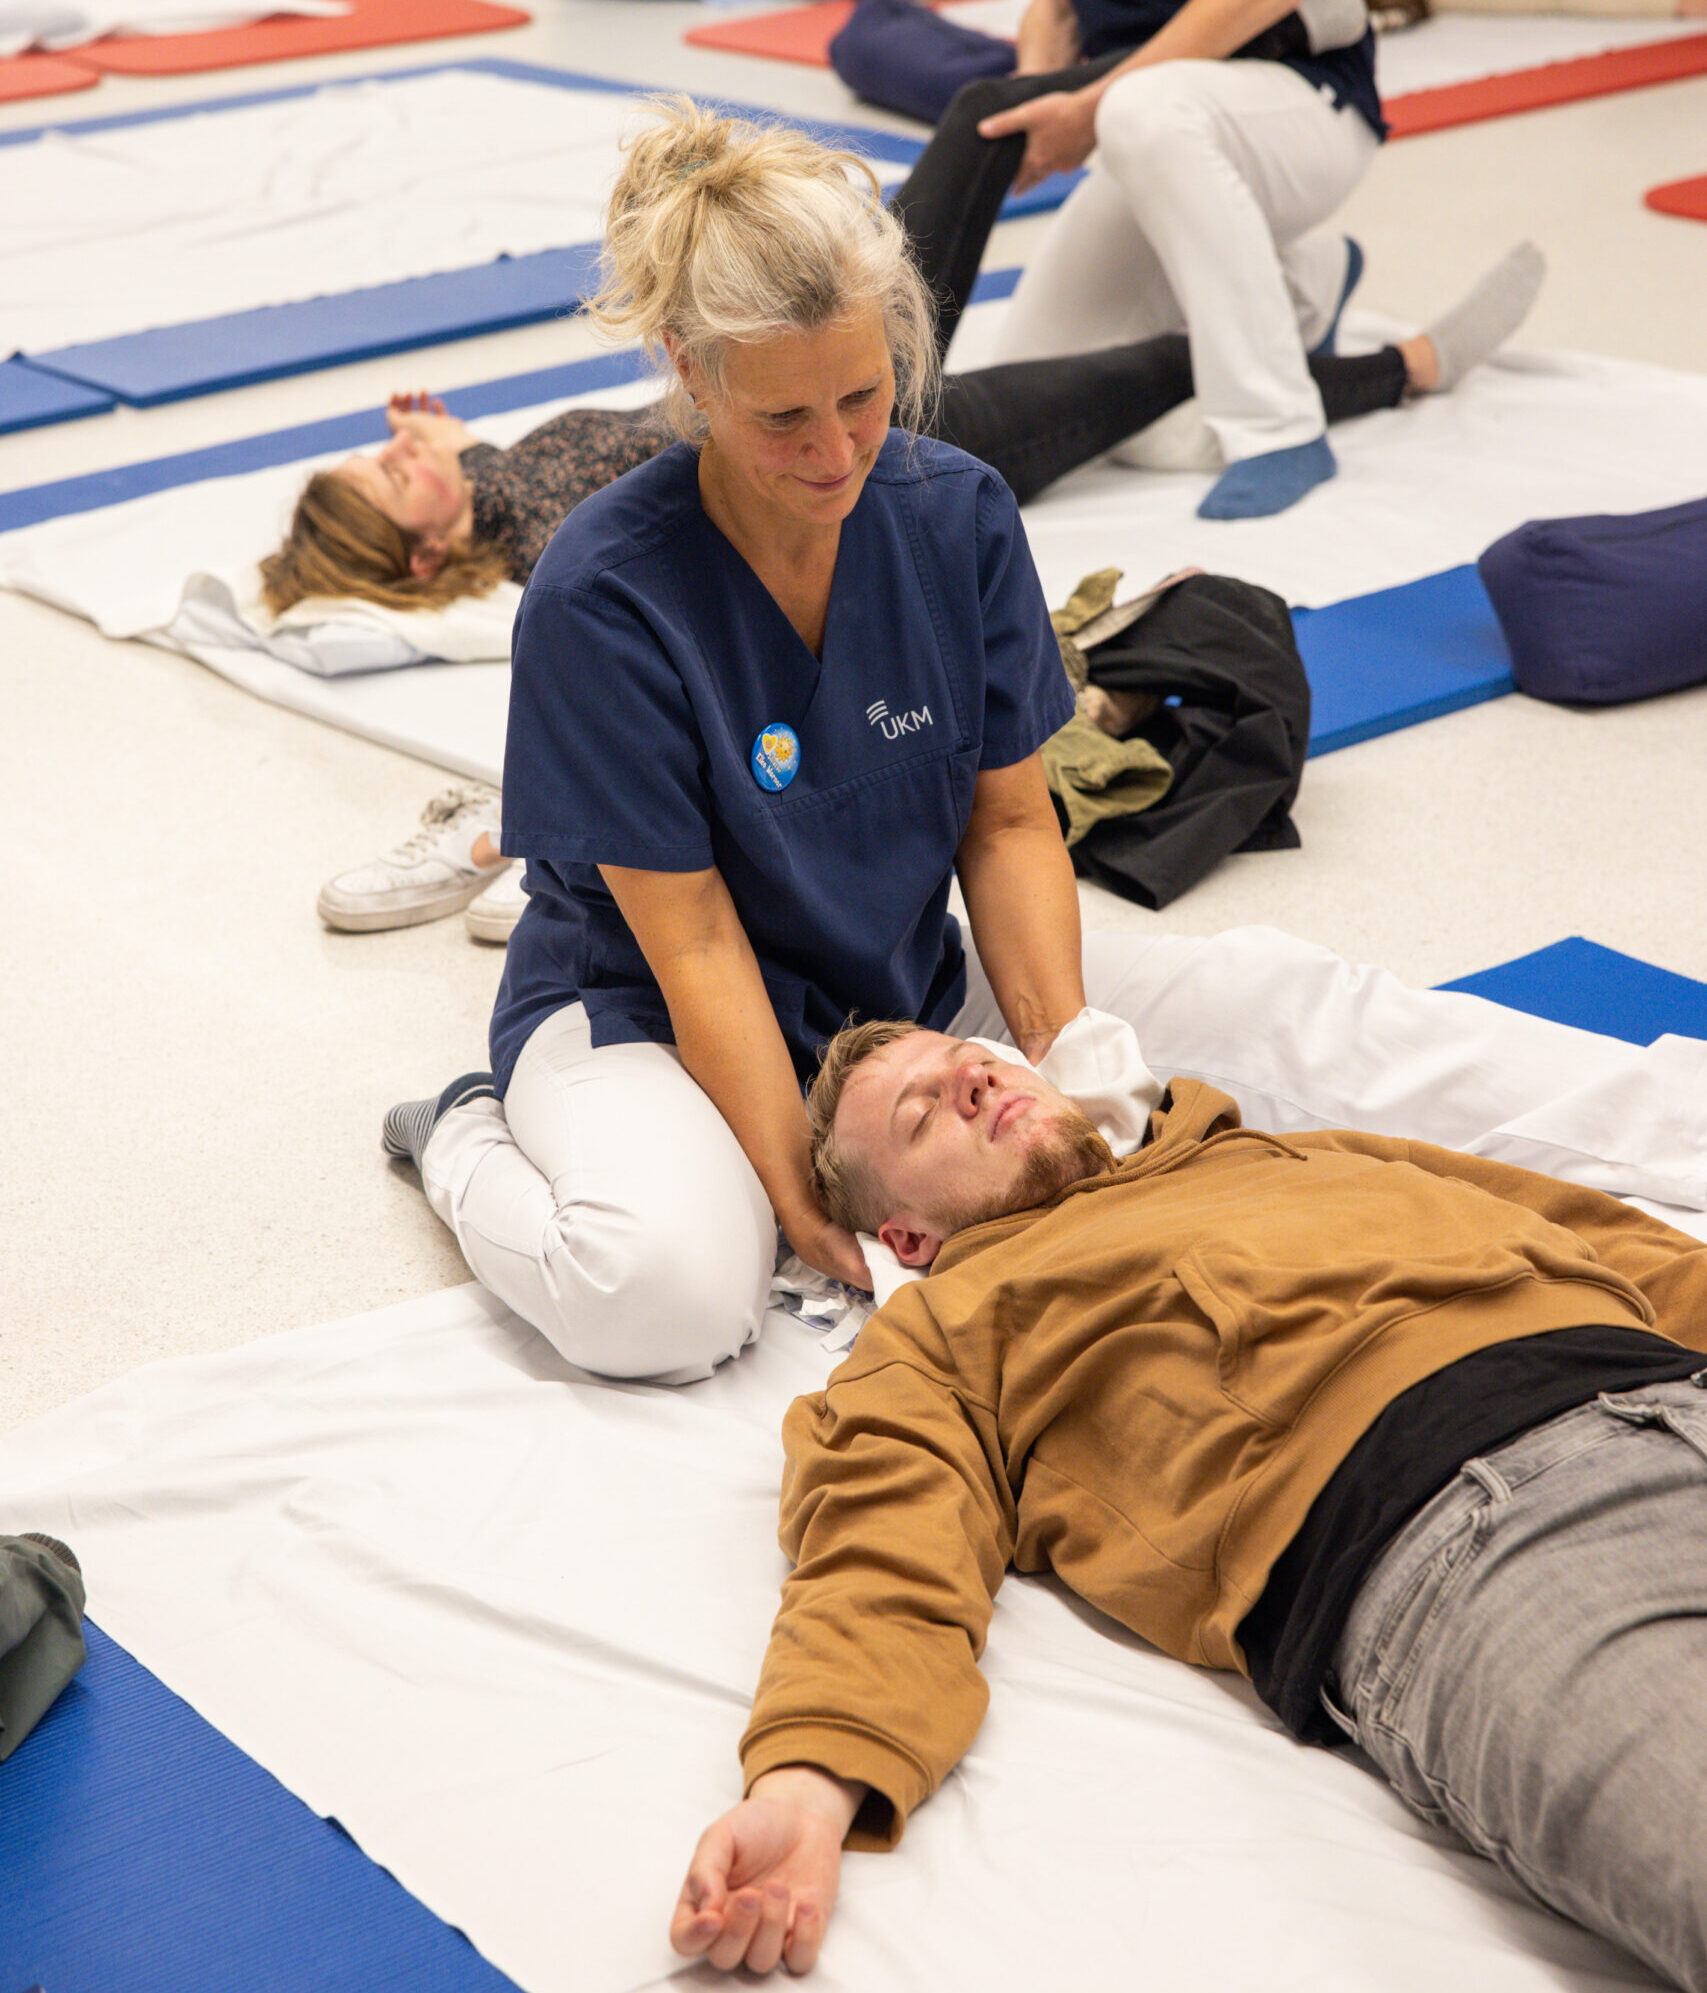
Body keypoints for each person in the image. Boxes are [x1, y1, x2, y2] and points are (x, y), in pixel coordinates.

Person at [670, 1015, 1707, 1989]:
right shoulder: (944, 1336)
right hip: (1474, 1533)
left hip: (1671, 1388)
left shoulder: (1286, 1151)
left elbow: (1622, 1245)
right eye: (921, 1113)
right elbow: (881, 1546)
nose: (968, 1079)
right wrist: (809, 1783)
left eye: (966, 1058)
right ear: (907, 1239)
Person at [286, 147, 1543, 937]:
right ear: (415, 557)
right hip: (891, 410)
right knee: (1147, 372)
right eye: (396, 487)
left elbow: (1004, 826)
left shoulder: (486, 458)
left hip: (846, 372)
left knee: (988, 145)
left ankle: (1276, 299)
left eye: (386, 454)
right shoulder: (580, 547)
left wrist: (436, 440)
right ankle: (1390, 358)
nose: (405, 460)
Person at [914, 0, 1399, 519]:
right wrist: (1033, 96)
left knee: (1139, 111)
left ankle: (1279, 425)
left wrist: (1087, 108)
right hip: (1154, 112)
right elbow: (1056, 11)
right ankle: (1303, 286)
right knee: (1041, 405)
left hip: (1299, 102)